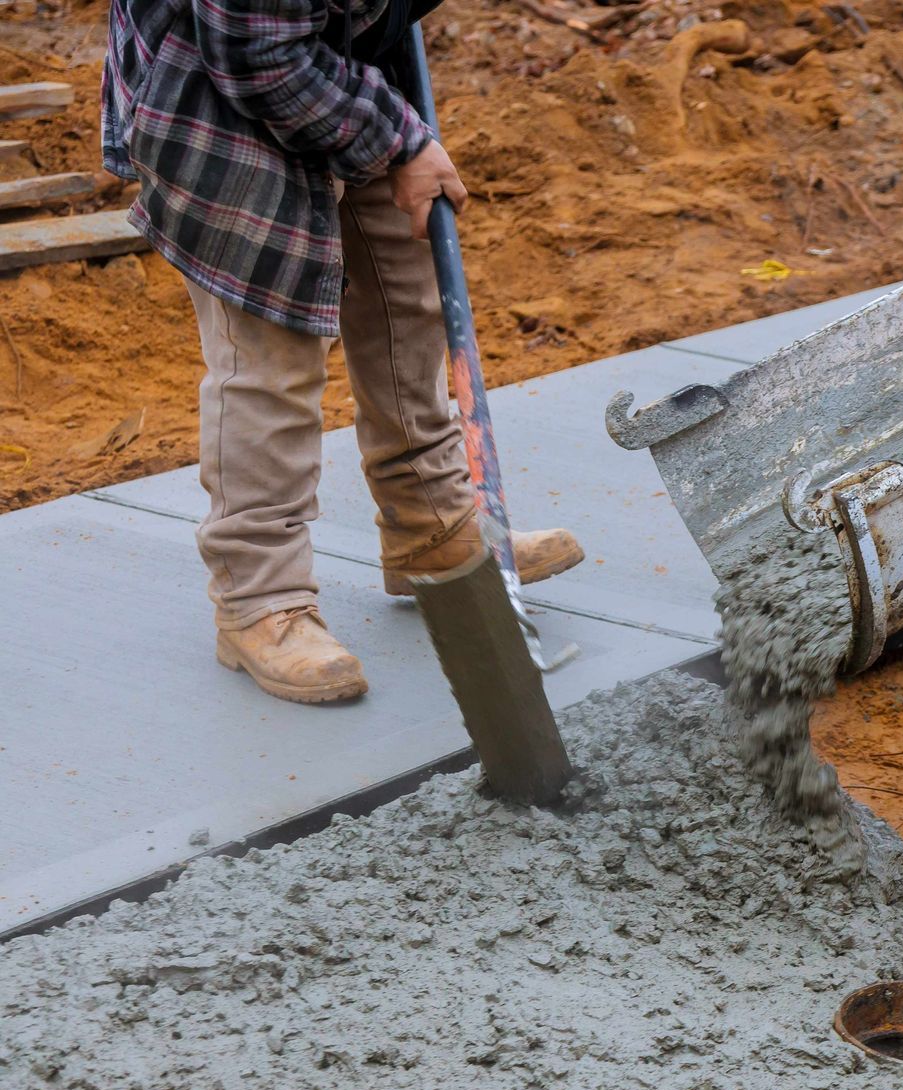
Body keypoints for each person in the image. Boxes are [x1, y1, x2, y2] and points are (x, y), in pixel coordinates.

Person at [100, 0, 582, 705]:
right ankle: (259, 602)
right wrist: (401, 142)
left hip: (329, 54)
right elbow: (255, 53)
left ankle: (431, 527)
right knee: (270, 355)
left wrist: (392, 128)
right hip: (216, 95)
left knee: (406, 288)